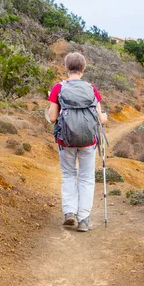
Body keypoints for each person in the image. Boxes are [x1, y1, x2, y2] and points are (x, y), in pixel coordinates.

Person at [48, 52, 107, 232]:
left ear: (66, 67)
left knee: (68, 175)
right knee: (87, 177)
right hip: (89, 141)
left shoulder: (58, 88)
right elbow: (100, 119)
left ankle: (70, 213)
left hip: (65, 141)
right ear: (84, 67)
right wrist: (104, 117)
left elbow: (52, 118)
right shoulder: (91, 88)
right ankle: (84, 219)